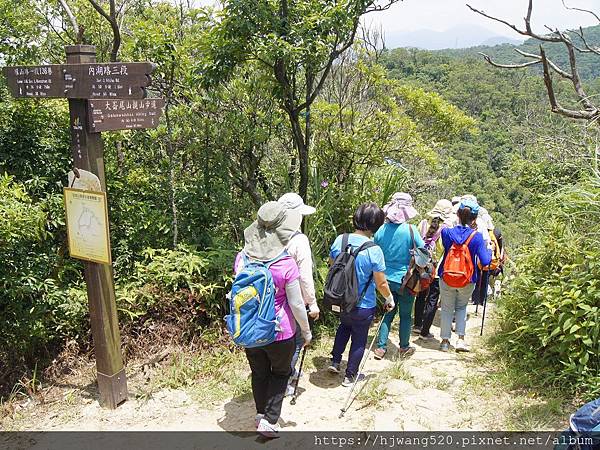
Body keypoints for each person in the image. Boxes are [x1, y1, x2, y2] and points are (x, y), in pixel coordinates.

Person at [234, 201, 312, 438]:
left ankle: (260, 414)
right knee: (280, 373)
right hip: (281, 332)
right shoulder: (285, 263)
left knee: (259, 373)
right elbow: (297, 304)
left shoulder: (242, 258)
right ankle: (269, 420)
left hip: (249, 330)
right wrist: (306, 332)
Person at [328, 202, 394, 386]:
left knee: (343, 326)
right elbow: (381, 282)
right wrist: (389, 298)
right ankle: (350, 376)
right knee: (359, 338)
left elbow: (332, 264)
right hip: (363, 304)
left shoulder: (340, 240)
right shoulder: (374, 250)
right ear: (377, 224)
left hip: (340, 299)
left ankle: (335, 361)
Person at [373, 193, 425, 360]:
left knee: (387, 313)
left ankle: (381, 348)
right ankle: (403, 347)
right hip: (407, 280)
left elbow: (375, 250)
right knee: (405, 315)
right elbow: (423, 254)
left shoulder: (381, 230)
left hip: (384, 280)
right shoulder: (411, 230)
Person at [277, 192, 320, 396]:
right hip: (291, 300)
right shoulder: (299, 240)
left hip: (269, 300)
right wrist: (312, 303)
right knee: (295, 341)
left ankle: (277, 375)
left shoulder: (268, 236)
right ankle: (285, 382)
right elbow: (304, 276)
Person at [438, 198, 491, 352]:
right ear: (474, 219)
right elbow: (485, 261)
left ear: (458, 215)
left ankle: (444, 342)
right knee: (461, 308)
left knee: (447, 309)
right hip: (467, 279)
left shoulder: (447, 233)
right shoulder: (477, 237)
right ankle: (460, 340)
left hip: (446, 275)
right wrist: (489, 249)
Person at [413, 199, 454, 340]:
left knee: (420, 295)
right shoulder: (447, 229)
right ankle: (425, 331)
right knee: (432, 299)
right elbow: (447, 249)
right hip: (436, 269)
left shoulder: (423, 223)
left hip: (421, 266)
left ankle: (417, 325)